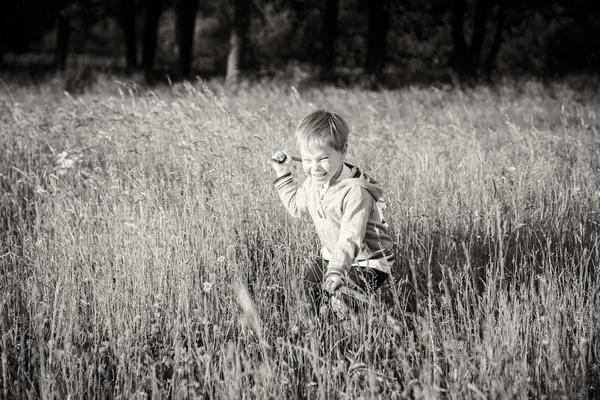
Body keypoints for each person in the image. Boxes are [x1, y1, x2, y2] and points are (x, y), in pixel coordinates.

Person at [270, 110, 394, 318]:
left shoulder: (355, 192)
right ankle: (315, 338)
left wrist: (336, 271)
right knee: (306, 293)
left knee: (342, 302)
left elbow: (350, 238)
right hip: (334, 254)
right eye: (308, 160)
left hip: (369, 259)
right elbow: (295, 207)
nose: (315, 168)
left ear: (342, 151)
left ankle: (372, 332)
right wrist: (283, 173)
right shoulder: (313, 183)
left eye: (323, 158)